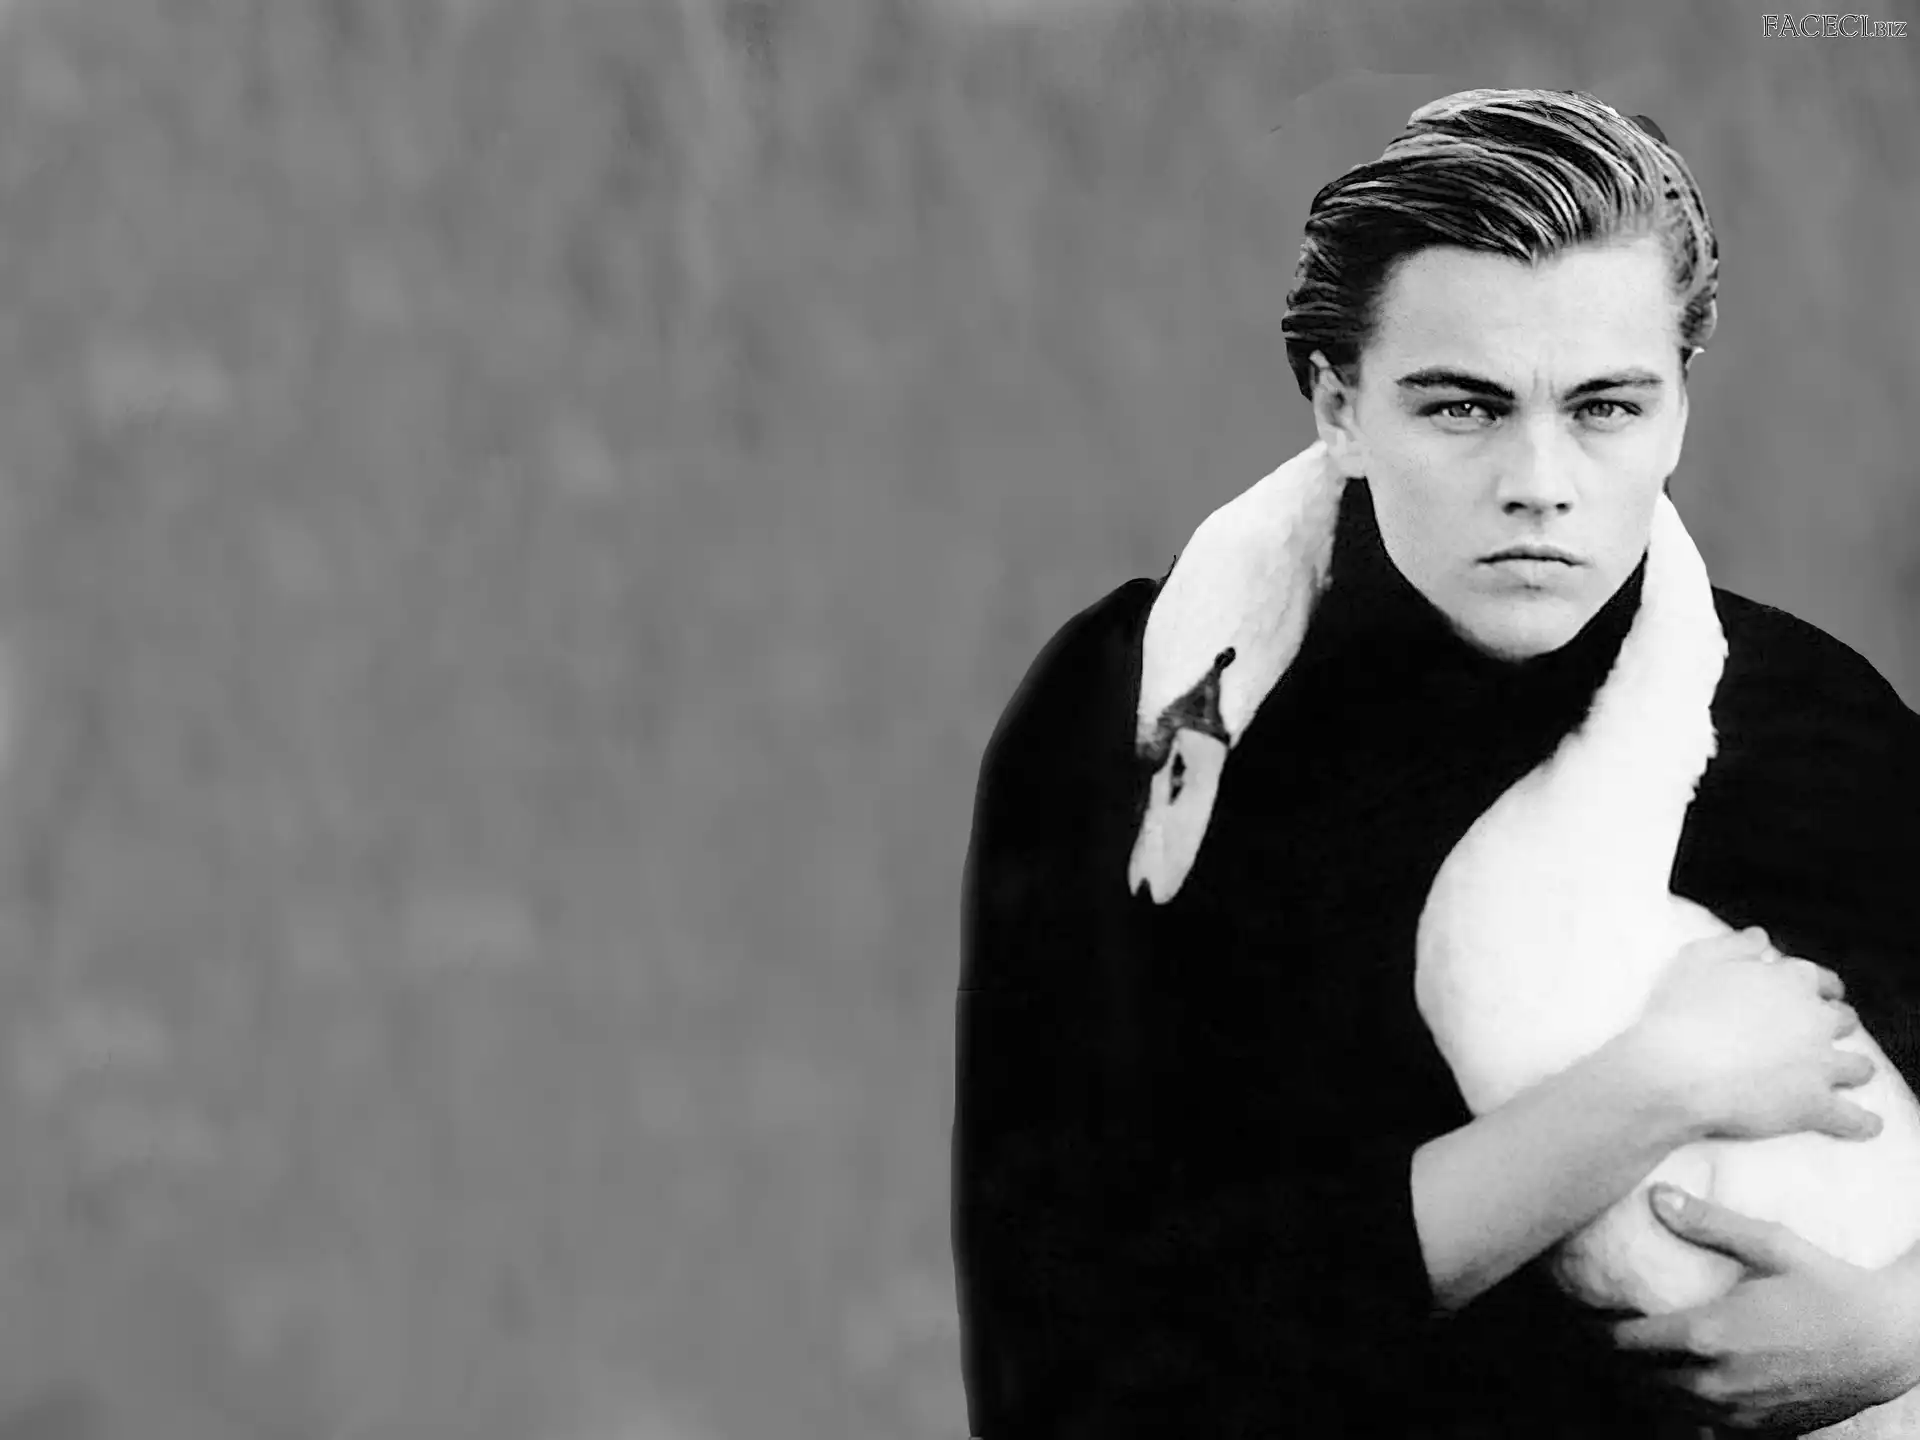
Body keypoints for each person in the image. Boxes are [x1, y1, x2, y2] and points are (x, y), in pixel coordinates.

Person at [951, 87, 1920, 1437]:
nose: (1540, 481)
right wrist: (1652, 1093)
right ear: (1339, 407)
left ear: (1679, 411)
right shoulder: (1134, 715)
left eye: (1607, 406)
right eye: (1463, 407)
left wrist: (1898, 1330)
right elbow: (1074, 1356)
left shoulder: (1804, 723)